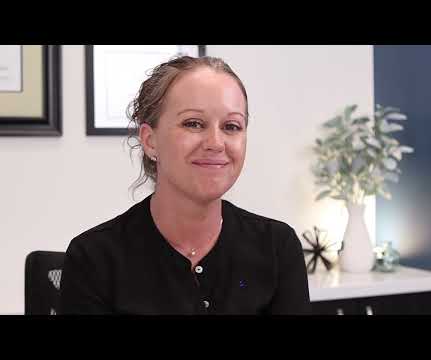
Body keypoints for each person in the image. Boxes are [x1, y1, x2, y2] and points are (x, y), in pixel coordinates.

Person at [59, 55, 311, 315]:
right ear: (150, 140)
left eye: (231, 126)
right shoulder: (94, 258)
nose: (215, 142)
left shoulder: (277, 248)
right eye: (193, 123)